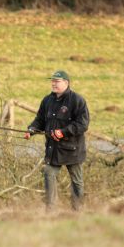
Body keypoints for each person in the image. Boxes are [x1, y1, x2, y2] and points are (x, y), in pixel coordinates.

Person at [24, 70, 90, 211]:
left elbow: (82, 124)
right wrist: (32, 130)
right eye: (52, 81)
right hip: (53, 149)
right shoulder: (47, 100)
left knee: (77, 181)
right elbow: (40, 120)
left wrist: (64, 132)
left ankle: (78, 209)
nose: (53, 83)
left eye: (57, 81)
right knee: (48, 173)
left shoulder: (77, 100)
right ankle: (51, 209)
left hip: (73, 149)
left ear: (66, 83)